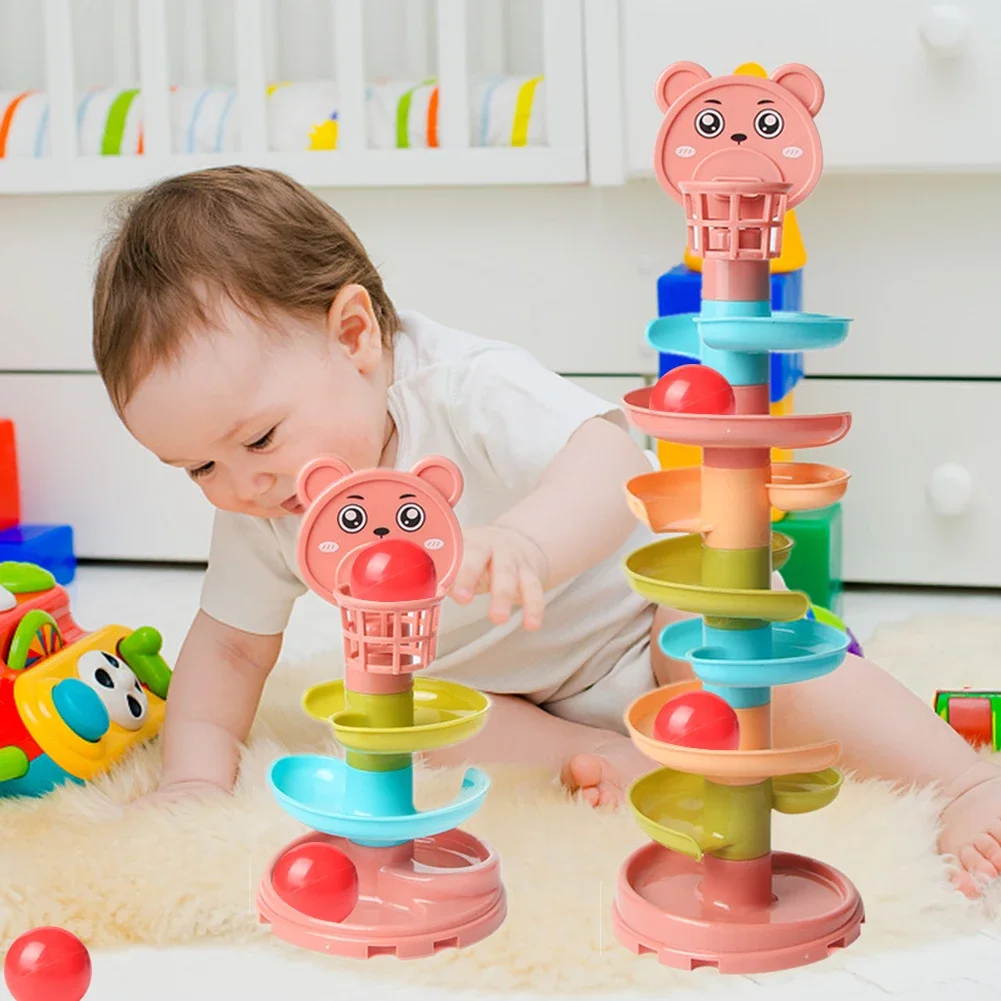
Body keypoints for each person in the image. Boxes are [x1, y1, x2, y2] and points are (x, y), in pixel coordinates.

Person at [93, 166, 1001, 897]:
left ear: (355, 334)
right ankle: (598, 753)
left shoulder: (465, 387)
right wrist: (194, 782)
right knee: (393, 728)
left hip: (643, 625)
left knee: (738, 651)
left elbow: (610, 456)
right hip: (509, 697)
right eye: (198, 469)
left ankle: (963, 781)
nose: (240, 484)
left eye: (255, 438)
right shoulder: (273, 502)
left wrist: (527, 541)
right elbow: (229, 651)